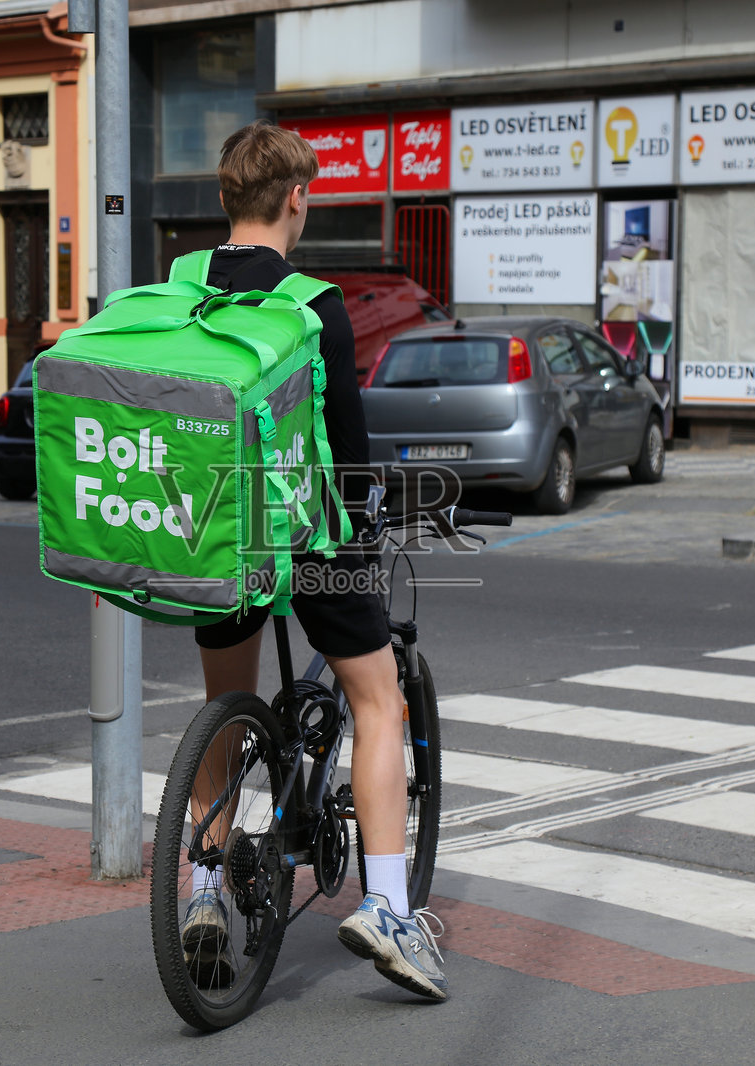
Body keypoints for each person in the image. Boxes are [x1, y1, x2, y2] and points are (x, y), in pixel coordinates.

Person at [180, 121, 448, 1001]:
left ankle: (205, 892)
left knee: (227, 705)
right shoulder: (313, 304)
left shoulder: (182, 291)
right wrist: (371, 522)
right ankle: (389, 910)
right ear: (299, 198)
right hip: (310, 539)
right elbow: (349, 447)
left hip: (215, 534)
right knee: (378, 702)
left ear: (225, 200)